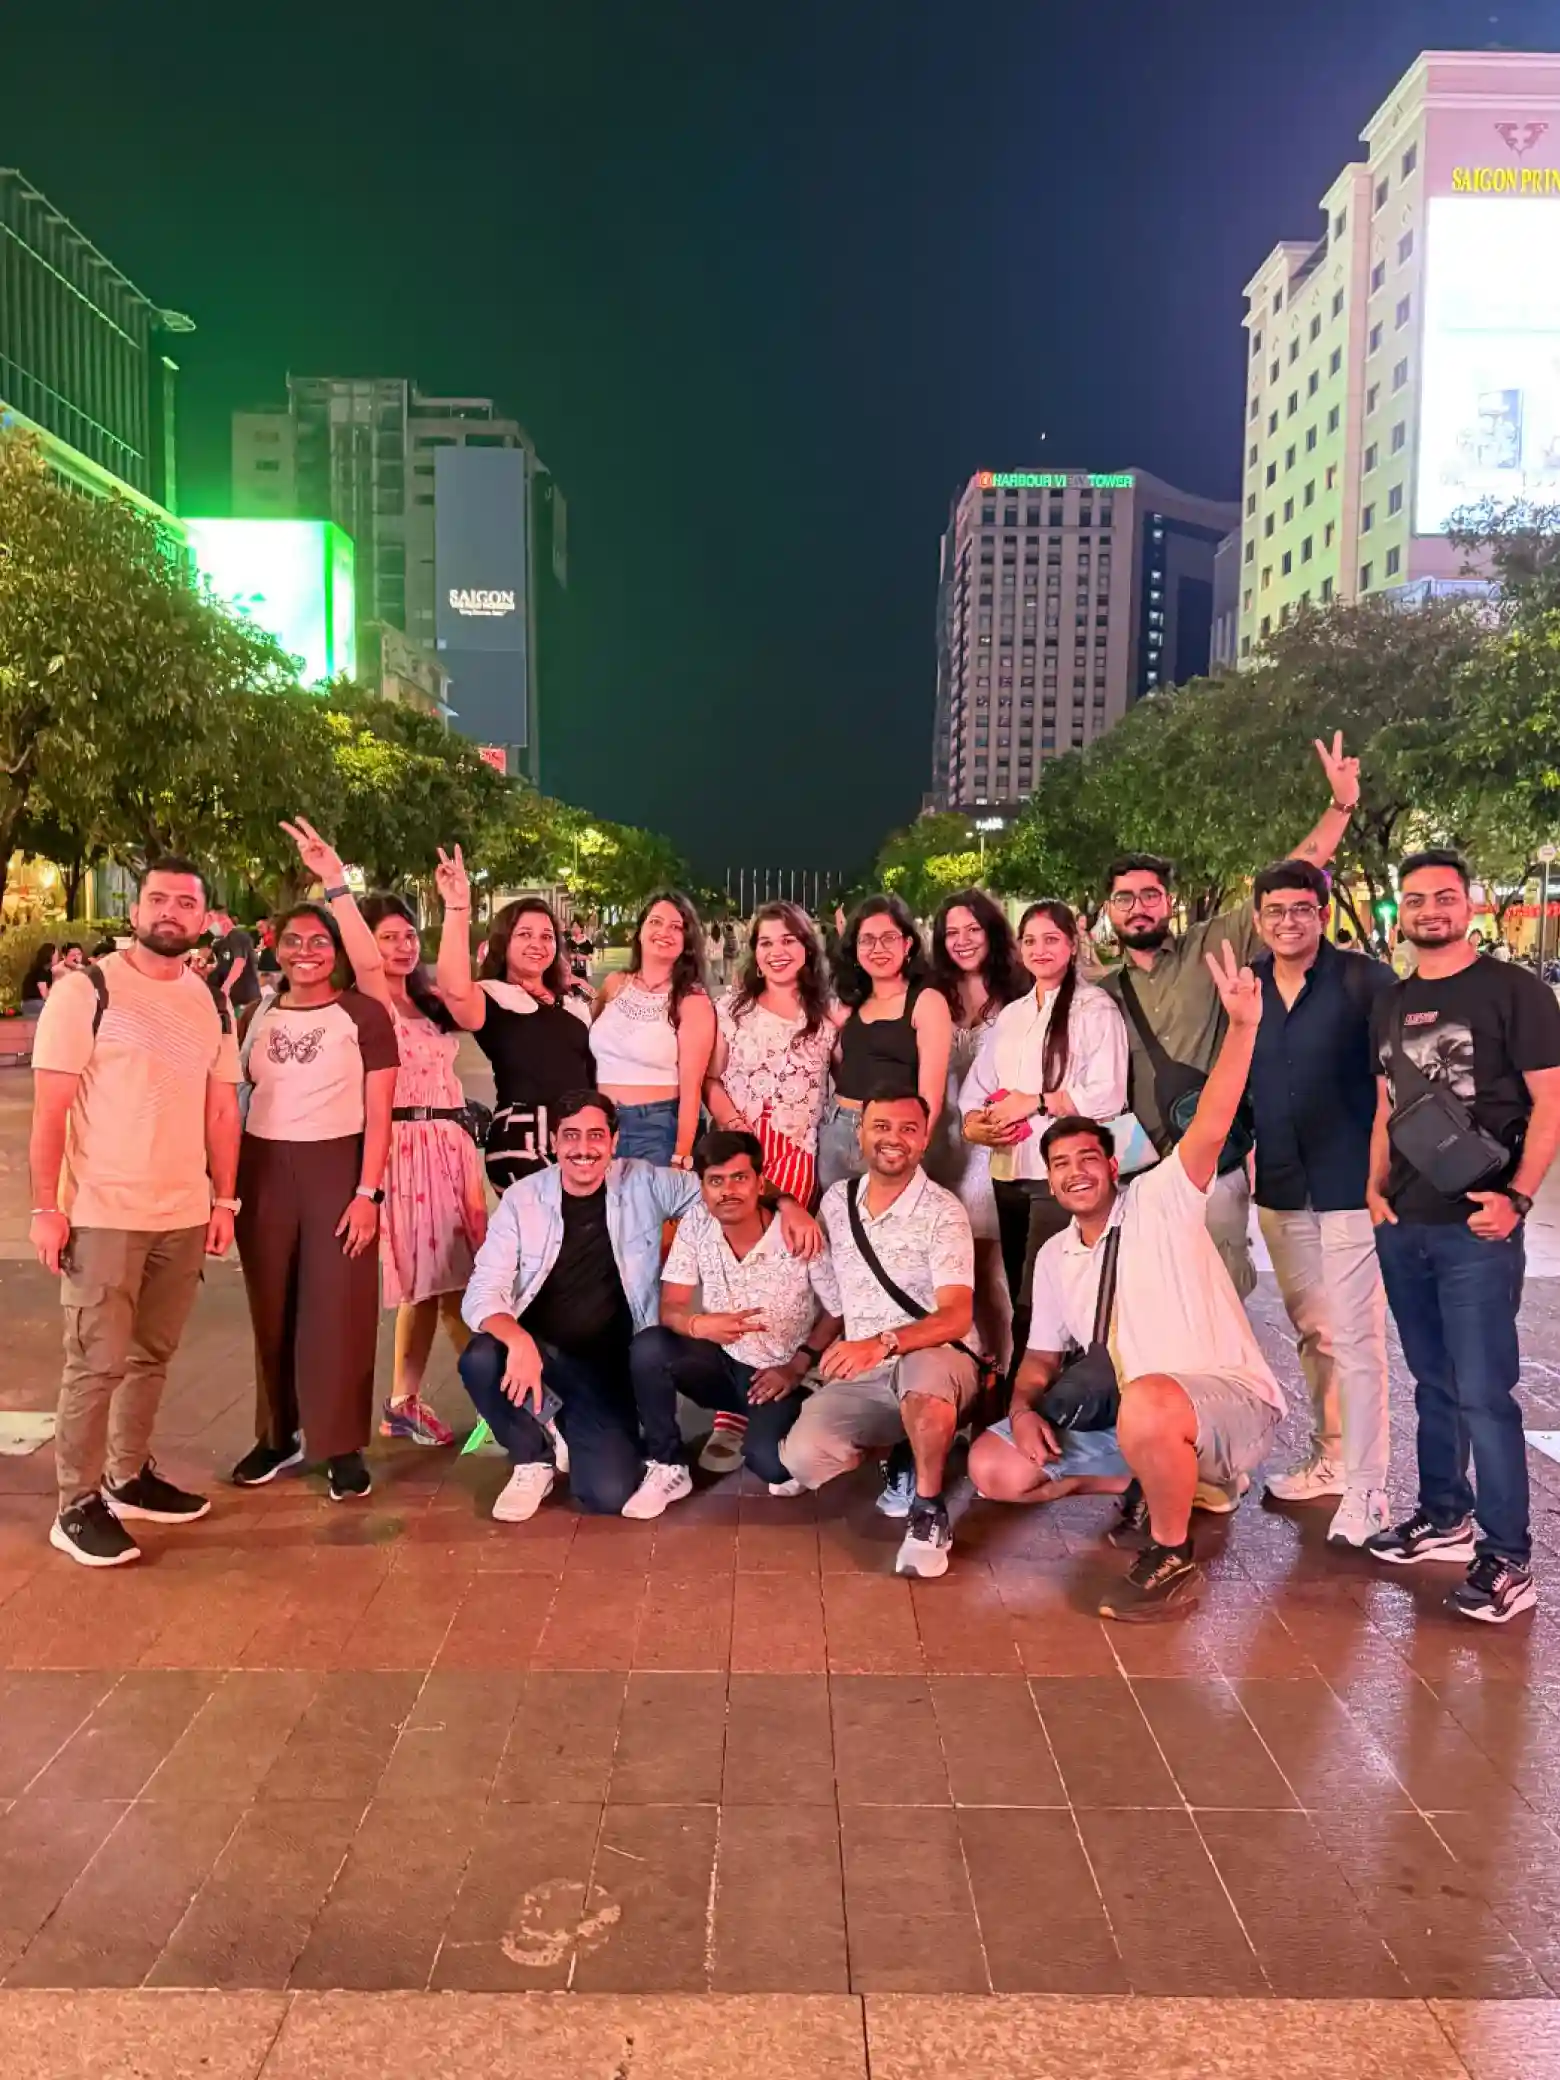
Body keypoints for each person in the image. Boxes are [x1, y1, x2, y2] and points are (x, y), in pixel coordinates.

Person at [968, 945, 1285, 1622]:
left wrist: (1243, 1028)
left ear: (1113, 1167)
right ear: (1049, 1179)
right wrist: (1022, 1411)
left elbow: (1211, 1124)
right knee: (993, 1469)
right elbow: (1040, 1359)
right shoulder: (1056, 1255)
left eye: (1088, 1158)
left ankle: (1171, 1556)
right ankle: (1148, 1478)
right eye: (1060, 1164)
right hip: (1137, 1416)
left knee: (1147, 1400)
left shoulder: (1161, 1199)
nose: (1075, 1172)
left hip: (1225, 1406)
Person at [458, 1091, 819, 1520]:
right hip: (539, 1355)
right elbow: (482, 1291)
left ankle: (567, 1423)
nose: (583, 1148)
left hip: (609, 1366)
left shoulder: (644, 1182)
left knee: (607, 1494)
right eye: (570, 1136)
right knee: (481, 1357)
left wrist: (788, 1204)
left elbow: (724, 1185)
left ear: (614, 1141)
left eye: (596, 1135)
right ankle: (531, 1459)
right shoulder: (523, 1199)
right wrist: (518, 1341)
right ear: (554, 1142)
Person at [29, 857, 242, 1567]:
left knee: (152, 1354)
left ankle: (127, 1476)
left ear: (204, 918)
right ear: (136, 910)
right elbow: (51, 1109)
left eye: (186, 902)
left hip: (181, 1211)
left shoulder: (210, 1001)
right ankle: (75, 1503)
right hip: (103, 1210)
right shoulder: (86, 990)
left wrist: (224, 1199)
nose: (170, 911)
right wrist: (44, 1208)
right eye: (158, 899)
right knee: (96, 1362)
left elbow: (221, 1109)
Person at [1365, 849, 1560, 1623]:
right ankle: (1445, 1514)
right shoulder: (1391, 1002)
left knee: (1483, 1392)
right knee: (1433, 1382)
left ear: (1469, 904)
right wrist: (1373, 1187)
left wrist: (1518, 1198)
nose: (1430, 910)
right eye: (1416, 900)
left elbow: (1551, 1103)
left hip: (1479, 1226)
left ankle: (1508, 1558)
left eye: (1444, 897)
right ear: (1402, 912)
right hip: (1404, 1223)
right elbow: (1386, 1105)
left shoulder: (1515, 992)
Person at [1097, 732, 1361, 1296]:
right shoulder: (1101, 992)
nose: (1138, 908)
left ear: (1168, 902)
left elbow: (1292, 874)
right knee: (1150, 1292)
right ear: (1108, 910)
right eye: (1125, 898)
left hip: (1216, 1163)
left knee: (1222, 1286)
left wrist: (1340, 805)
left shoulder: (1211, 945)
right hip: (1140, 1168)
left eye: (1150, 895)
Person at [229, 882, 399, 1504]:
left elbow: (380, 1114)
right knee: (271, 1307)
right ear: (274, 947)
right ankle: (279, 1435)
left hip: (339, 1168)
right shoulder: (255, 1016)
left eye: (320, 941)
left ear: (338, 951)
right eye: (293, 940)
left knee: (339, 1309)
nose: (306, 952)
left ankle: (341, 1443)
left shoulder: (363, 1015)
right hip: (263, 1170)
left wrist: (367, 1194)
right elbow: (232, 1101)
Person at [1246, 859, 1395, 1545]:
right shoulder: (1248, 985)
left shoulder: (1364, 981)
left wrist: (1383, 1172)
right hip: (1281, 1184)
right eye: (1275, 910)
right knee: (1315, 1331)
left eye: (1301, 908)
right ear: (1259, 919)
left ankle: (1369, 1487)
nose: (1288, 921)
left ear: (1322, 914)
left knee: (1358, 1336)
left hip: (1349, 1186)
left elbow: (1397, 1080)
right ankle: (1331, 1456)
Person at [779, 1087, 980, 1580]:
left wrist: (882, 1343)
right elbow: (831, 1292)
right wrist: (788, 1205)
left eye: (909, 1129)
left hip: (936, 1358)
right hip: (867, 1372)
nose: (894, 1139)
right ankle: (906, 1449)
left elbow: (956, 1317)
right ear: (861, 1132)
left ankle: (928, 1510)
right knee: (804, 1458)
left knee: (922, 1373)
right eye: (882, 1127)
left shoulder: (943, 1210)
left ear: (925, 1140)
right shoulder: (836, 1200)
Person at [620, 1129, 840, 1516]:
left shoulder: (796, 1232)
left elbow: (837, 1311)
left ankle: (790, 1430)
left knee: (772, 1467)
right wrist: (698, 1326)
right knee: (650, 1347)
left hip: (782, 1373)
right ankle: (667, 1464)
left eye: (740, 1178)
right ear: (703, 1188)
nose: (728, 1191)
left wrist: (796, 1366)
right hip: (724, 1363)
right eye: (716, 1181)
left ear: (760, 1183)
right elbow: (671, 1306)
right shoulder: (696, 1224)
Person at [346, 878, 489, 1447]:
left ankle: (404, 1402)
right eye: (388, 938)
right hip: (406, 1150)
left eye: (409, 935)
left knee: (438, 1284)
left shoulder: (425, 1000)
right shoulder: (369, 1005)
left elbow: (463, 988)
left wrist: (457, 908)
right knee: (451, 1283)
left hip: (451, 1147)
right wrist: (335, 885)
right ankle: (503, 1403)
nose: (404, 947)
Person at [701, 901, 835, 1470]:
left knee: (789, 1275)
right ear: (753, 953)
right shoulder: (731, 1010)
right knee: (737, 1270)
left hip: (798, 1157)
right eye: (766, 942)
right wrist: (737, 1130)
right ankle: (731, 1407)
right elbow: (710, 1079)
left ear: (807, 948)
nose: (777, 952)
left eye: (789, 941)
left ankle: (788, 1374)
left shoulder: (828, 1016)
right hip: (741, 1156)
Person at [961, 900, 1129, 1335]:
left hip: (1057, 1173)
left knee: (1040, 1299)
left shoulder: (1093, 1008)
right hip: (1007, 1168)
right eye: (1030, 941)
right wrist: (974, 1122)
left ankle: (1038, 1376)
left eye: (1051, 939)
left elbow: (1108, 1094)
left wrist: (1037, 1102)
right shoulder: (1013, 1014)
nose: (1040, 950)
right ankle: (1025, 1373)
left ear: (1072, 944)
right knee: (1018, 1280)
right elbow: (978, 1083)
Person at [434, 846, 594, 1193]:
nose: (537, 944)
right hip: (523, 1142)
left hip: (582, 1138)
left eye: (546, 936)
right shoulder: (494, 997)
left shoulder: (573, 1003)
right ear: (503, 943)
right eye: (524, 935)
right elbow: (454, 990)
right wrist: (458, 908)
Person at [925, 890, 1029, 1364]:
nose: (962, 941)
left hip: (992, 1144)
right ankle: (963, 1363)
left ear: (992, 933)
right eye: (952, 932)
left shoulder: (1021, 993)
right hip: (937, 1141)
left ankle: (1003, 1365)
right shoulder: (931, 994)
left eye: (973, 930)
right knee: (944, 1268)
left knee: (986, 1264)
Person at [819, 895, 953, 1193]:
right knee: (835, 1218)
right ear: (855, 949)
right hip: (837, 1129)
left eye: (889, 938)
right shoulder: (852, 1003)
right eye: (867, 940)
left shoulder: (926, 1002)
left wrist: (916, 1147)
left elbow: (930, 1095)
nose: (877, 948)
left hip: (892, 1135)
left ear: (907, 945)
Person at [591, 890, 716, 1165]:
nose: (664, 932)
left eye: (676, 927)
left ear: (686, 941)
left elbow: (692, 1090)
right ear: (639, 931)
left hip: (655, 1129)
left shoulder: (692, 1001)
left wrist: (681, 1155)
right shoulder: (614, 984)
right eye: (655, 922)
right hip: (598, 1126)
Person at [205, 907, 261, 1012]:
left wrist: (226, 986)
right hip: (231, 1000)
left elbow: (239, 962)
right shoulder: (220, 943)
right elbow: (222, 965)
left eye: (211, 920)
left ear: (223, 919)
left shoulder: (238, 936)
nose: (209, 925)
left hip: (245, 998)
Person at [20, 942, 59, 1017]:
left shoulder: (48, 972)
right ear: (49, 956)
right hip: (33, 1003)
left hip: (36, 1003)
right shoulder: (40, 972)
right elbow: (45, 995)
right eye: (56, 955)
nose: (58, 958)